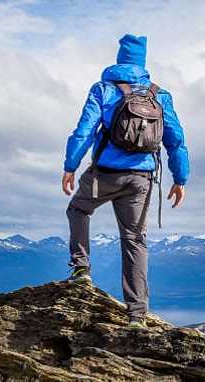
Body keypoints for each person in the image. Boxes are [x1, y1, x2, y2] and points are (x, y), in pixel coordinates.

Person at [61, 34, 190, 329]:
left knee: (79, 210)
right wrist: (180, 178)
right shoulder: (159, 95)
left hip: (103, 175)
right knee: (134, 241)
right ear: (143, 61)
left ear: (119, 58)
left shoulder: (103, 90)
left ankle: (81, 270)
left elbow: (83, 131)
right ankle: (136, 315)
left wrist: (70, 166)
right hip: (141, 180)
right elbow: (176, 140)